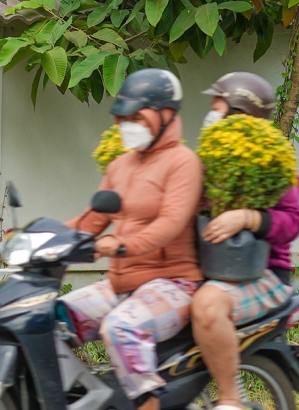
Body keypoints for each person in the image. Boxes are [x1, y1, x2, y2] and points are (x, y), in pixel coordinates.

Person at [59, 68, 203, 410]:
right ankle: (88, 398)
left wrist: (123, 244)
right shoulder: (120, 165)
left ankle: (148, 403)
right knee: (49, 319)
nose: (128, 124)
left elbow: (171, 221)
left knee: (120, 328)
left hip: (174, 284)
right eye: (124, 117)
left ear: (166, 115)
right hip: (120, 286)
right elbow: (92, 219)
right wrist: (37, 237)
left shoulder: (184, 162)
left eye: (138, 116)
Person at [192, 72, 299, 410]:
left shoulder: (274, 158)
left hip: (263, 273)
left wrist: (248, 217)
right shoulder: (209, 156)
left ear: (240, 114)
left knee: (208, 305)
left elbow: (291, 222)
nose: (210, 113)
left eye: (218, 107)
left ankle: (231, 399)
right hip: (212, 267)